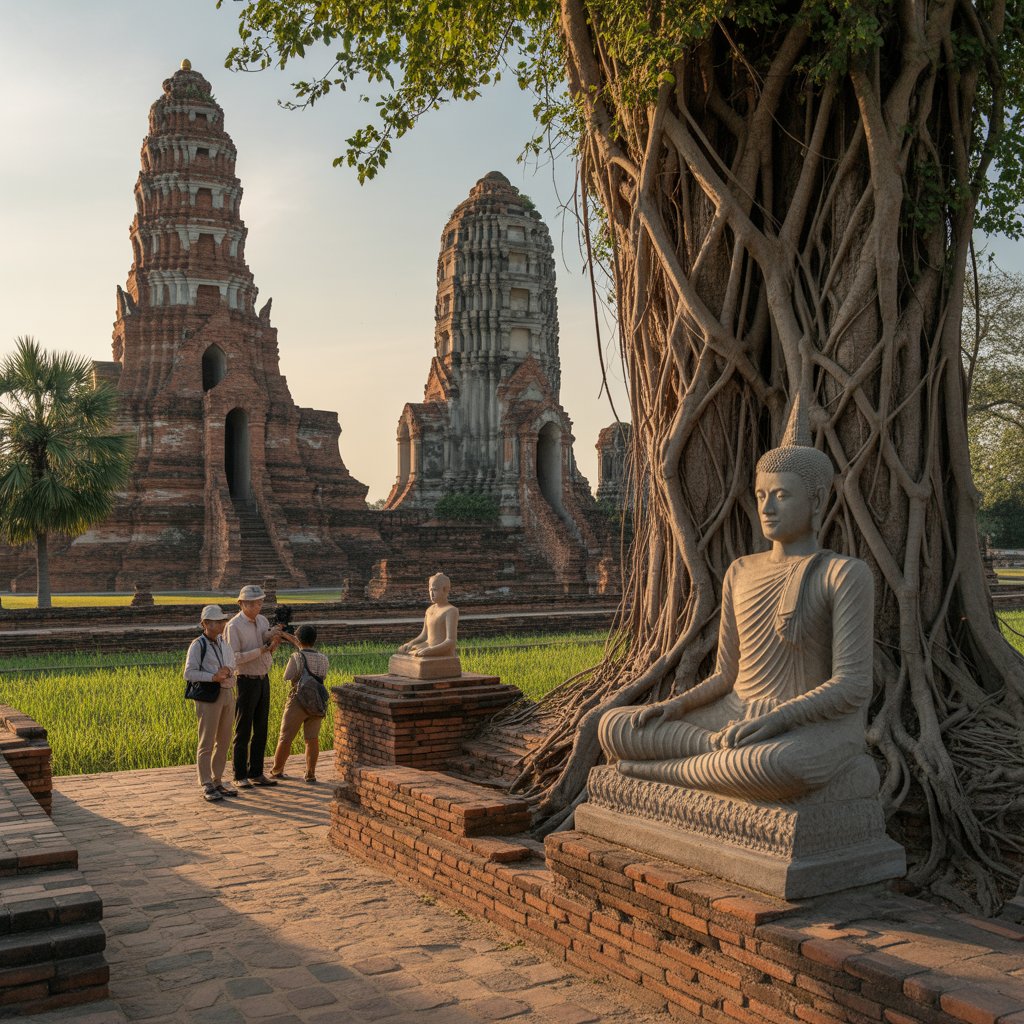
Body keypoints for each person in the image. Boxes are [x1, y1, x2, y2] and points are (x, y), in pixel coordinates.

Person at [597, 436, 875, 803]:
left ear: (818, 500)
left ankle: (655, 771)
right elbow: (726, 675)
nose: (767, 508)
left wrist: (781, 718)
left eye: (781, 495)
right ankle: (713, 750)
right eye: (761, 496)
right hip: (733, 713)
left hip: (804, 725)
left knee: (774, 763)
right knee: (615, 726)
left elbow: (852, 684)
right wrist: (676, 706)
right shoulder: (740, 571)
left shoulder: (843, 574)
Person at [225, 584, 282, 788]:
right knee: (243, 729)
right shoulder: (233, 626)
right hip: (246, 680)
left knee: (261, 727)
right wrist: (261, 650)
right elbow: (233, 658)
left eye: (259, 602)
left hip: (262, 677)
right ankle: (239, 775)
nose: (258, 605)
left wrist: (273, 638)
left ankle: (256, 772)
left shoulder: (263, 620)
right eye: (254, 603)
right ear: (242, 604)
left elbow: (264, 639)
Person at [184, 605, 238, 803]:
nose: (222, 624)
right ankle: (206, 781)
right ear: (205, 624)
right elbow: (188, 673)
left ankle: (217, 779)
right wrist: (212, 676)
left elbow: (233, 663)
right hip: (208, 696)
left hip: (227, 692)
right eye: (217, 621)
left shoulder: (224, 643)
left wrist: (228, 671)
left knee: (224, 740)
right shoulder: (198, 645)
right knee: (206, 741)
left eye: (222, 621)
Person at [269, 624, 329, 784]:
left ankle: (277, 770)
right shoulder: (323, 658)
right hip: (317, 702)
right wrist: (287, 635)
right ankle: (310, 773)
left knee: (285, 738)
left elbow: (287, 676)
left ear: (299, 639)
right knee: (312, 739)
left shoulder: (296, 657)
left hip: (298, 701)